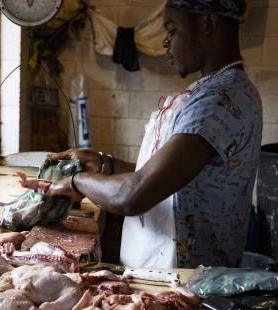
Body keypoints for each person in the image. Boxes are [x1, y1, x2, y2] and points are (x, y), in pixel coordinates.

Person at [47, 0, 262, 268]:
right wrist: (104, 163)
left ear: (208, 23)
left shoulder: (219, 100)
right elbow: (167, 179)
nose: (165, 43)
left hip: (189, 282)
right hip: (178, 273)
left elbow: (134, 195)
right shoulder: (218, 89)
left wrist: (78, 182)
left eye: (172, 30)